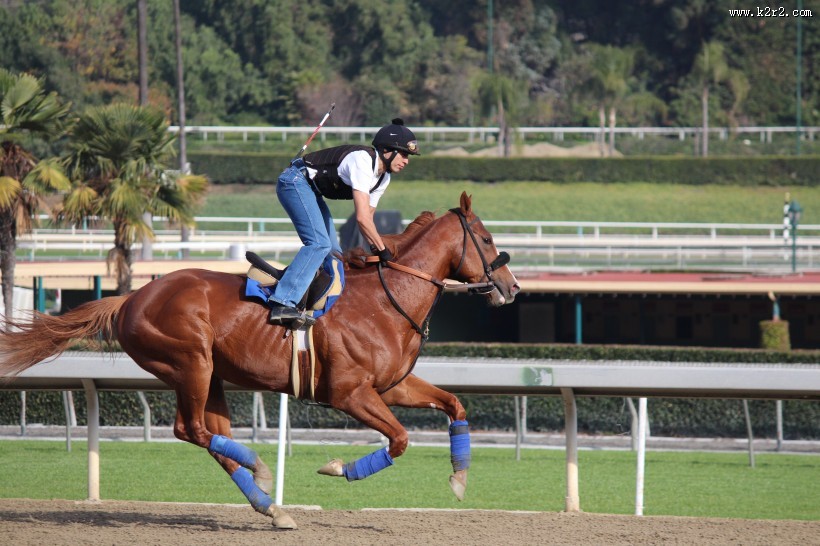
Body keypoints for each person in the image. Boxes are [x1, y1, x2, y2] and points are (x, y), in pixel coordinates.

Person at [267, 118, 420, 325]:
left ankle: (315, 304)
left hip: (311, 191)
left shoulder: (383, 178)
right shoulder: (363, 161)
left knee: (335, 254)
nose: (407, 160)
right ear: (387, 150)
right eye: (403, 154)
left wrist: (377, 249)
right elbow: (362, 218)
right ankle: (283, 303)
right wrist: (383, 250)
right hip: (294, 181)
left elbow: (368, 220)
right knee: (319, 244)